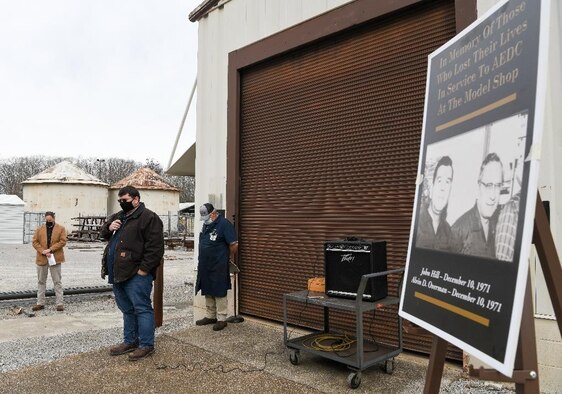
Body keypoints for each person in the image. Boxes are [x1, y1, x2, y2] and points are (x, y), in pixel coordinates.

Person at [100, 186, 164, 361]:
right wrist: (108, 227)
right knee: (127, 310)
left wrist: (144, 270)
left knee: (142, 308)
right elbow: (103, 234)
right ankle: (130, 341)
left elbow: (156, 248)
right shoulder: (119, 217)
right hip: (117, 273)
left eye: (125, 201)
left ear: (136, 199)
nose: (122, 204)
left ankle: (146, 345)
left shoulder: (149, 218)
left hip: (136, 274)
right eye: (120, 201)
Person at [195, 203, 238, 331]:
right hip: (205, 264)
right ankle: (210, 315)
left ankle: (221, 318)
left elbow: (234, 245)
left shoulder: (224, 224)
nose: (205, 220)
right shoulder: (206, 225)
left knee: (219, 290)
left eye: (207, 217)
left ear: (213, 213)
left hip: (219, 264)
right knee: (207, 288)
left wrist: (225, 257)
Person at [452, 153, 503, 258]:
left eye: (497, 186)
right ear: (478, 189)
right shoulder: (458, 231)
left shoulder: (498, 227)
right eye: (488, 185)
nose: (493, 196)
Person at [416, 156, 456, 251]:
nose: (443, 188)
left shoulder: (449, 233)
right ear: (432, 186)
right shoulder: (416, 223)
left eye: (447, 182)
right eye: (439, 180)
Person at [31, 211, 67, 312]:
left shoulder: (61, 228)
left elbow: (63, 241)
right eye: (47, 220)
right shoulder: (39, 229)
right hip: (42, 258)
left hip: (55, 258)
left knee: (57, 281)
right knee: (41, 281)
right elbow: (34, 242)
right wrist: (43, 251)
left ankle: (60, 304)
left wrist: (50, 250)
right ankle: (40, 303)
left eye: (50, 220)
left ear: (54, 218)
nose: (48, 222)